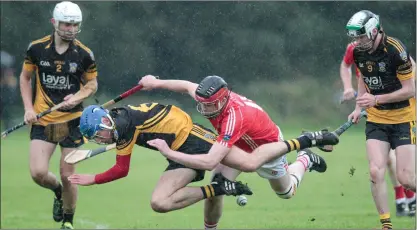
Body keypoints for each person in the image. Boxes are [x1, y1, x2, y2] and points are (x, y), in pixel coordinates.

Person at [138, 74, 339, 229]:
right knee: (217, 187)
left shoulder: (234, 117)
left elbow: (209, 162)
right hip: (234, 145)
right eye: (202, 104)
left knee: (286, 192)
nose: (205, 110)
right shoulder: (210, 98)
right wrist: (156, 83)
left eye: (210, 106)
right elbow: (186, 86)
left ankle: (305, 158)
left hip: (266, 149)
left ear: (223, 100)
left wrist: (168, 152)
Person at [68, 104, 253, 213]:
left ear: (106, 121)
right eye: (95, 138)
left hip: (193, 137)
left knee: (248, 160)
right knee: (159, 202)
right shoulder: (118, 121)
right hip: (176, 153)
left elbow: (121, 169)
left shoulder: (124, 126)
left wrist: (93, 179)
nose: (99, 140)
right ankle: (218, 188)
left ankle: (277, 158)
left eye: (98, 134)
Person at [19, 1, 98, 229]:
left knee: (67, 174)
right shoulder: (36, 49)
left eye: (75, 24)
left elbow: (92, 84)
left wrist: (77, 97)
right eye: (66, 24)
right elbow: (25, 78)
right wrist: (28, 108)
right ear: (54, 22)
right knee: (38, 173)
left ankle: (68, 221)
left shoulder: (84, 54)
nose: (71, 29)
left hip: (72, 122)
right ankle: (57, 192)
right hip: (43, 121)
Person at [346, 10, 416, 229]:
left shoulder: (396, 50)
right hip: (377, 120)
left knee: (406, 178)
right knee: (376, 171)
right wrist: (359, 106)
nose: (357, 42)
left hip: (403, 117)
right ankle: (386, 225)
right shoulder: (358, 52)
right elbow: (363, 80)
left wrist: (377, 99)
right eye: (355, 37)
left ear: (374, 31)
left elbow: (410, 90)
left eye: (361, 36)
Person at [0, 50, 18, 129]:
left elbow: (11, 81)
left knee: (5, 110)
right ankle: (8, 125)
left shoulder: (8, 71)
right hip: (4, 91)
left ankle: (8, 126)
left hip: (5, 93)